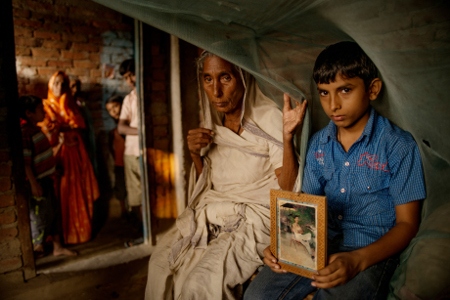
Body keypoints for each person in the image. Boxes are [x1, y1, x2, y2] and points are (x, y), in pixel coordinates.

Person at [244, 41, 426, 299]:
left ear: (372, 89)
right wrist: (282, 246)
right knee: (257, 296)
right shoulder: (318, 144)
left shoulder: (398, 145)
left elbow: (408, 224)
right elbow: (306, 209)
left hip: (371, 250)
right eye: (324, 93)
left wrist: (358, 260)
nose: (333, 105)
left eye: (345, 90)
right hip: (317, 245)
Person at [145, 51, 307, 300]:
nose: (216, 91)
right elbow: (210, 183)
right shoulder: (212, 121)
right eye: (208, 79)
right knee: (159, 264)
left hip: (254, 218)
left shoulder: (268, 118)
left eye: (225, 78)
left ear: (243, 78)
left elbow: (288, 189)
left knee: (200, 284)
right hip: (213, 212)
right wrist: (196, 155)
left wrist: (286, 139)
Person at [39, 71, 100, 245]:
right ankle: (62, 237)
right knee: (60, 194)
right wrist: (64, 129)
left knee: (77, 191)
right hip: (58, 156)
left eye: (62, 84)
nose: (59, 87)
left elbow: (80, 126)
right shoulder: (45, 106)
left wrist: (64, 128)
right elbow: (46, 131)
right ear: (50, 85)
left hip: (75, 155)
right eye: (56, 83)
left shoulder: (71, 104)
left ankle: (80, 233)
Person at [19, 95, 77, 257]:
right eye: (40, 110)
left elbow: (42, 155)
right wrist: (33, 183)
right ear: (29, 113)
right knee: (40, 216)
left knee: (53, 213)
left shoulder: (36, 129)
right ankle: (38, 248)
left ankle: (57, 247)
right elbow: (26, 163)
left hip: (46, 179)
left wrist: (52, 169)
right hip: (38, 182)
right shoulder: (25, 133)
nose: (44, 113)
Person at [117, 59, 143, 247]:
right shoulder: (129, 99)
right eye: (126, 77)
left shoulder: (148, 95)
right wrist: (142, 132)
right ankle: (144, 231)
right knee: (136, 196)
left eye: (131, 75)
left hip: (148, 151)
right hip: (132, 151)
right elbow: (121, 127)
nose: (130, 81)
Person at [69, 76, 98, 176]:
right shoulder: (62, 106)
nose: (76, 90)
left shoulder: (81, 104)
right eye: (72, 86)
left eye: (77, 86)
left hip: (84, 141)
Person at [105, 95, 127, 218]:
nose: (113, 111)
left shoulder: (129, 127)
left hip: (130, 162)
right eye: (110, 110)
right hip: (119, 164)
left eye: (115, 106)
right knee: (121, 189)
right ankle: (124, 213)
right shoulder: (112, 132)